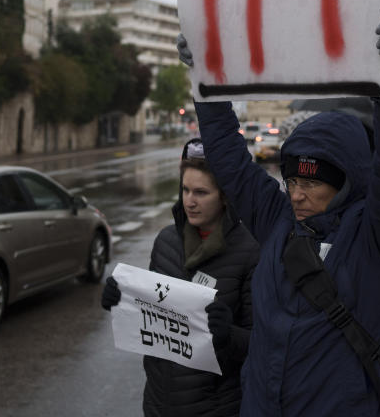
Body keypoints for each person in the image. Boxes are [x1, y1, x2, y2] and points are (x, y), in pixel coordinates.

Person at [175, 4, 380, 416]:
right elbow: (230, 159)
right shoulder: (277, 222)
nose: (296, 195)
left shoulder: (375, 238)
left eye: (311, 183)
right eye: (291, 181)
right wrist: (205, 82)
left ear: (346, 182)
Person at [101, 138, 260, 416]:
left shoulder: (249, 251)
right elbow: (150, 312)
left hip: (216, 407)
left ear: (223, 195)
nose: (189, 201)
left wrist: (228, 335)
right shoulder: (166, 241)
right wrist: (119, 299)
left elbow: (261, 344)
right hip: (159, 404)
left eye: (201, 192)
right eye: (185, 190)